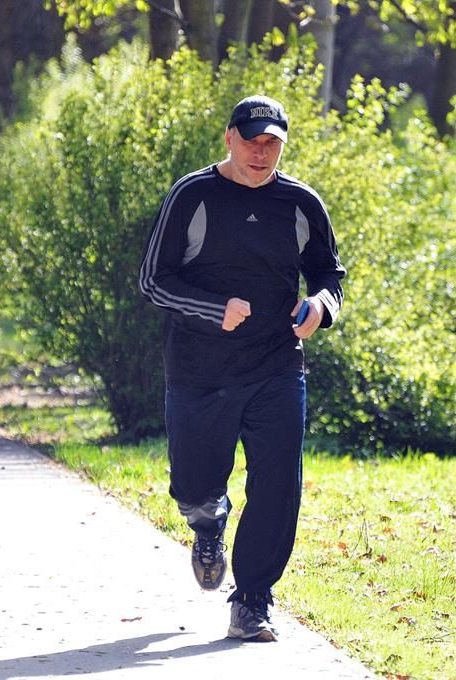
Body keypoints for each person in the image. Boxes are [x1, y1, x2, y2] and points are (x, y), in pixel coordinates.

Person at [139, 95, 345, 642]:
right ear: (229, 138)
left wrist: (321, 306)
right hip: (199, 369)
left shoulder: (300, 203)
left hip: (277, 365)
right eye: (251, 141)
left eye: (272, 143)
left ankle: (253, 599)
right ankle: (207, 521)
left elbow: (329, 274)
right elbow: (153, 281)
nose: (261, 152)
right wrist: (215, 310)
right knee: (193, 487)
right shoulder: (193, 195)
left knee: (278, 485)